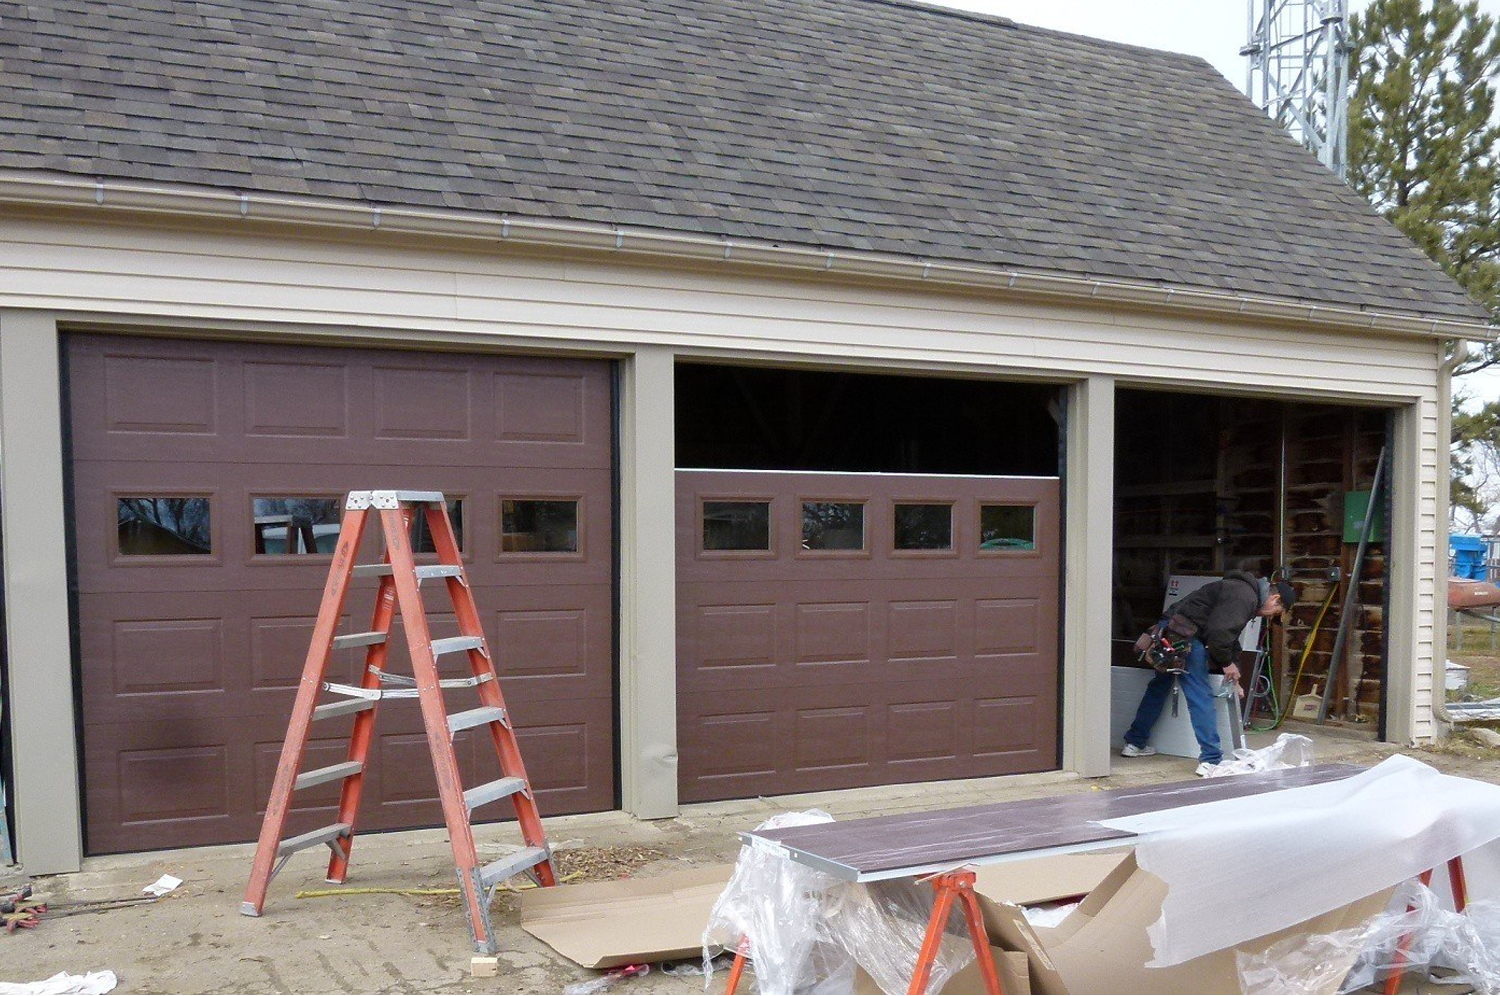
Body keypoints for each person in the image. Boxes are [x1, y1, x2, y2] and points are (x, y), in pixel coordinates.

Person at [1121, 571, 1293, 776]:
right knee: (1200, 695)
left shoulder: (1241, 592)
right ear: (1274, 598)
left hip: (1169, 631)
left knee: (1159, 687)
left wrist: (1234, 671)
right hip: (1187, 637)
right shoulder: (1245, 596)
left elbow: (1230, 637)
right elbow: (1219, 635)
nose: (1269, 617)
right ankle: (1211, 760)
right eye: (1275, 612)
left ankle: (1135, 743)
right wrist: (1227, 664)